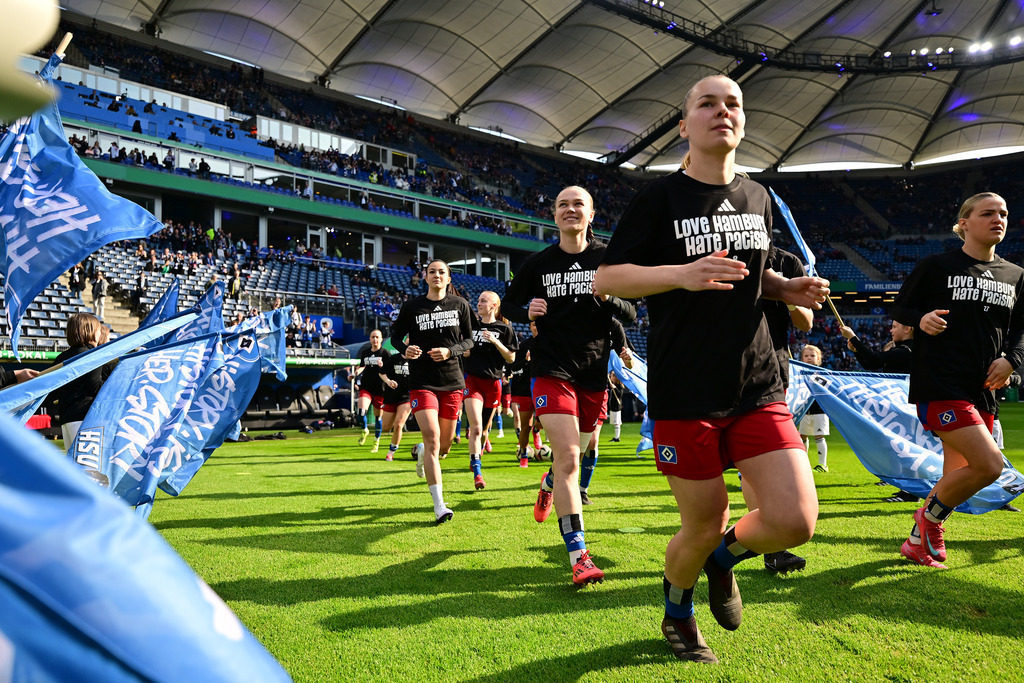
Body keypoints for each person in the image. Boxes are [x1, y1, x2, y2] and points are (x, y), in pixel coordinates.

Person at [594, 74, 828, 662]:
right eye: (707, 103)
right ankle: (677, 612)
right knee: (702, 523)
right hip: (686, 390)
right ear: (684, 125)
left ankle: (723, 561)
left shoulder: (758, 196)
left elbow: (749, 274)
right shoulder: (659, 198)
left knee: (796, 520)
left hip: (757, 383)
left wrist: (785, 288)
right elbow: (608, 277)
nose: (722, 111)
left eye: (733, 104)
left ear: (742, 122)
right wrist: (682, 274)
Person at [503, 185, 637, 586]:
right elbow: (509, 304)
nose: (570, 209)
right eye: (563, 204)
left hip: (593, 374)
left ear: (591, 214)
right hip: (551, 369)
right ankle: (580, 556)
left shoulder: (608, 258)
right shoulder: (539, 263)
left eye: (578, 204)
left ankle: (548, 483)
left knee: (574, 454)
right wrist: (526, 310)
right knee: (569, 461)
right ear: (554, 214)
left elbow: (631, 311)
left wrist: (610, 298)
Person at [891, 192, 1024, 569]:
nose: (998, 219)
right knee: (990, 465)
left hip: (983, 389)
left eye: (1003, 213)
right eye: (988, 213)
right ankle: (928, 520)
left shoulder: (1016, 275)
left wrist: (1011, 361)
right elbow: (900, 307)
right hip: (940, 384)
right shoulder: (936, 266)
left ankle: (917, 542)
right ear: (964, 223)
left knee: (956, 476)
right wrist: (920, 319)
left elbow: (1021, 330)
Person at [390, 259, 474, 524]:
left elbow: (470, 341)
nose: (436, 275)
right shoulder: (411, 307)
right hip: (422, 382)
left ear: (448, 278)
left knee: (444, 446)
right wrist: (405, 349)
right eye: (432, 272)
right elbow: (395, 338)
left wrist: (450, 351)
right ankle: (440, 506)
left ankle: (421, 450)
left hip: (452, 382)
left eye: (442, 272)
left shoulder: (460, 305)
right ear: (425, 277)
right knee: (433, 438)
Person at [839, 320, 921, 504]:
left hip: (906, 406)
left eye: (895, 326)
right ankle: (908, 490)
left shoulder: (906, 351)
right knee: (903, 447)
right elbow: (871, 365)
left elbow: (875, 359)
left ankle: (911, 492)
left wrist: (854, 338)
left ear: (908, 328)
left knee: (906, 449)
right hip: (903, 406)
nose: (891, 330)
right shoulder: (905, 350)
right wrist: (857, 350)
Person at [461, 291, 518, 490]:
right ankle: (477, 473)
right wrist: (463, 351)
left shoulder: (504, 329)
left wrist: (495, 341)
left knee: (484, 430)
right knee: (476, 428)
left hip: (493, 384)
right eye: (478, 301)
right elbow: (460, 347)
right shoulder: (471, 326)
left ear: (494, 306)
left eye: (483, 301)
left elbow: (511, 357)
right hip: (472, 381)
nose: (479, 304)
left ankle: (477, 453)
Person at [49, 313, 106, 447]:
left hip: (66, 419)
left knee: (73, 459)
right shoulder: (93, 354)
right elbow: (94, 386)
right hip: (85, 418)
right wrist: (114, 384)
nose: (100, 334)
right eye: (99, 330)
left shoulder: (61, 357)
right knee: (88, 461)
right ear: (90, 331)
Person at [350, 330, 390, 451]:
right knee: (361, 412)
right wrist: (355, 374)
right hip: (366, 387)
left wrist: (383, 367)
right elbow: (362, 366)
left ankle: (376, 441)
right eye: (373, 337)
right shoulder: (365, 352)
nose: (375, 339)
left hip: (380, 389)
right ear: (370, 339)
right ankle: (364, 430)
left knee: (378, 417)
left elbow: (390, 370)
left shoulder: (385, 353)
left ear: (381, 339)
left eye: (377, 337)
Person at [797, 344, 830, 472]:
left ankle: (823, 464)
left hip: (819, 410)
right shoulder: (799, 373)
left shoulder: (822, 373)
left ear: (818, 358)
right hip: (805, 410)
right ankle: (803, 462)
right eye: (806, 356)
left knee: (819, 436)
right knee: (803, 436)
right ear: (802, 358)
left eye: (812, 355)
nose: (809, 358)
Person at [378, 348, 412, 462]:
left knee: (399, 424)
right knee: (386, 428)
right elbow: (382, 373)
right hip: (391, 396)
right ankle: (394, 430)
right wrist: (388, 382)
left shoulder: (417, 361)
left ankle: (391, 452)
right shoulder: (394, 359)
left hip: (407, 397)